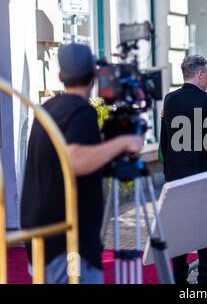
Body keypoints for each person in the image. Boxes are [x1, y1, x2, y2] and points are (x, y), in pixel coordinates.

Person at [20, 43, 145, 284]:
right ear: (94, 74)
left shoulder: (47, 109)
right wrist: (123, 143)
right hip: (67, 242)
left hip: (40, 236)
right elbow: (75, 159)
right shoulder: (81, 111)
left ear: (60, 77)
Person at [160, 55, 207, 285]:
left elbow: (164, 141)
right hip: (202, 172)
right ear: (200, 74)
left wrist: (168, 168)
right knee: (205, 224)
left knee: (179, 225)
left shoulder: (169, 100)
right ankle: (205, 275)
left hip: (175, 174)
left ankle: (179, 277)